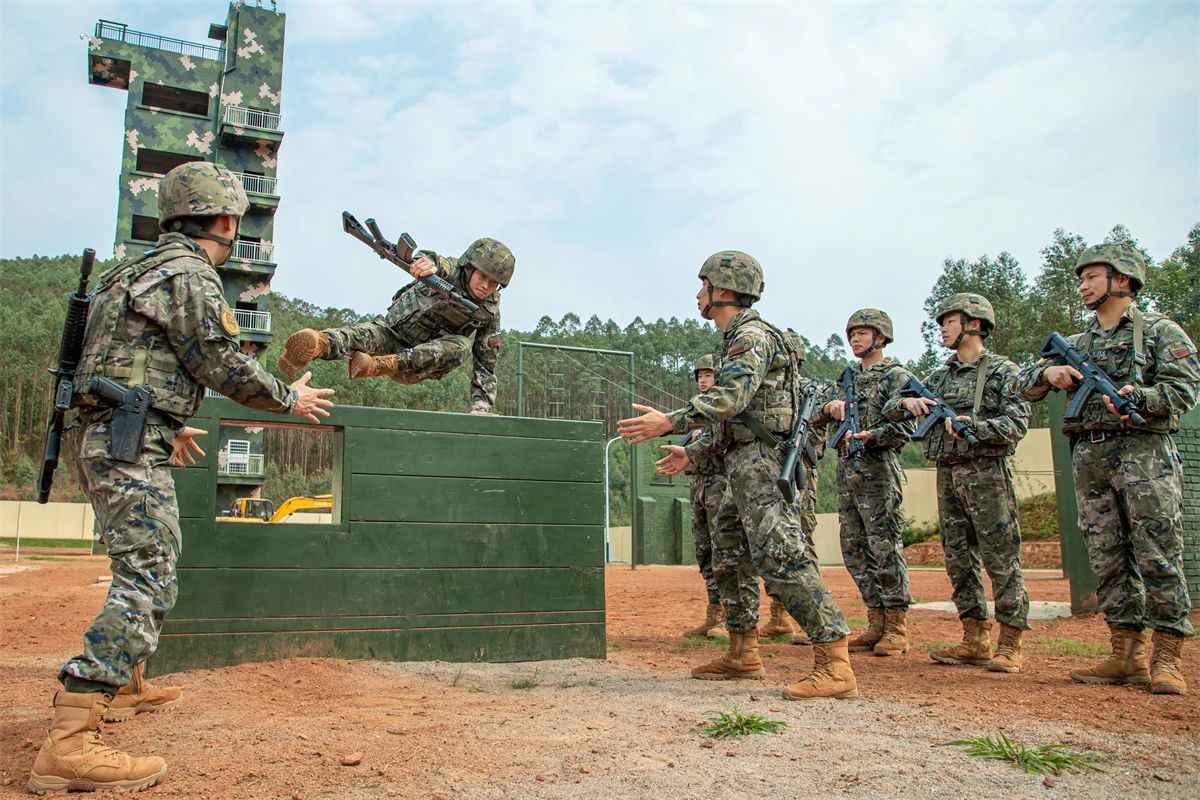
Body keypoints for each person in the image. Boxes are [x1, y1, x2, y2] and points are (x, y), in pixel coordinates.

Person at [28, 161, 336, 794]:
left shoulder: (132, 274)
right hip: (127, 442)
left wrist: (166, 417)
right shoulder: (191, 274)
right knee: (151, 574)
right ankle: (70, 741)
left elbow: (122, 362)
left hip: (119, 432)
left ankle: (130, 682)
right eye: (235, 223)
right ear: (224, 219)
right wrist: (288, 399)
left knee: (142, 565)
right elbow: (220, 361)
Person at [618, 251, 857, 701]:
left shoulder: (750, 336)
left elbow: (728, 401)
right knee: (730, 554)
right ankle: (743, 650)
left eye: (702, 285)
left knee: (781, 553)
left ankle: (835, 662)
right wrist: (695, 451)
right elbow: (739, 418)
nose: (697, 294)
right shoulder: (736, 340)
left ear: (722, 290)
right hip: (739, 461)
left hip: (763, 463)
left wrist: (670, 421)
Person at [1015, 243, 1198, 695]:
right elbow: (1023, 383)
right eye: (1081, 278)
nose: (1082, 285)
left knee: (1158, 551)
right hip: (1090, 456)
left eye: (1092, 276)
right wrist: (1047, 376)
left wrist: (1141, 397)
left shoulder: (1159, 331)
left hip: (1145, 453)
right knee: (1107, 555)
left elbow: (1185, 389)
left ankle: (1167, 655)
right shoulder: (1076, 345)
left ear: (1122, 279)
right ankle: (1126, 652)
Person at [884, 293, 1031, 672]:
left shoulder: (1003, 371)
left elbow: (1017, 423)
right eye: (941, 323)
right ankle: (974, 638)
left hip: (987, 471)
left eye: (949, 322)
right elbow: (891, 404)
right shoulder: (938, 376)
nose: (942, 329)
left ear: (975, 324)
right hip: (948, 472)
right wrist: (907, 405)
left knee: (1001, 557)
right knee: (958, 559)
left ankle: (1010, 642)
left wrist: (975, 428)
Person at [277, 237, 514, 414]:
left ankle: (377, 365)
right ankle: (314, 345)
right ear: (469, 268)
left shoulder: (488, 313)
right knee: (358, 335)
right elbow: (436, 261)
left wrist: (480, 407)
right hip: (390, 333)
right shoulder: (450, 271)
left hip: (413, 363)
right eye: (482, 276)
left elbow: (486, 365)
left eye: (494, 283)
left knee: (461, 346)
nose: (486, 286)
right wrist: (427, 264)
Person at [811, 309, 915, 657]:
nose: (855, 339)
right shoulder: (846, 379)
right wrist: (830, 407)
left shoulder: (896, 376)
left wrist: (875, 435)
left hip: (878, 467)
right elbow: (815, 412)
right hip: (847, 471)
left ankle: (896, 625)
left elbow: (908, 426)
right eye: (852, 333)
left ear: (881, 337)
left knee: (884, 545)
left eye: (863, 333)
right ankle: (875, 621)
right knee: (854, 549)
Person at [680, 354, 728, 639]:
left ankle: (729, 618)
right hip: (698, 484)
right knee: (704, 551)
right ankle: (713, 614)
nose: (702, 379)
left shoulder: (725, 409)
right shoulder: (697, 411)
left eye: (707, 375)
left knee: (724, 550)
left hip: (721, 485)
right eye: (699, 376)